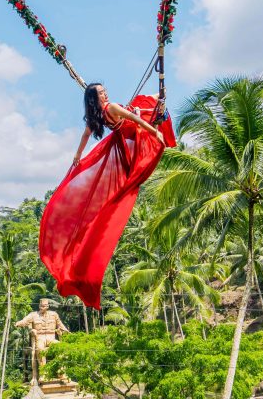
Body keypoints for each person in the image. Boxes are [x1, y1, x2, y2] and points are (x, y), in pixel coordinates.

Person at [40, 84, 176, 309]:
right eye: (101, 92)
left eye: (104, 91)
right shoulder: (111, 107)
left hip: (126, 141)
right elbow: (137, 120)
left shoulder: (97, 117)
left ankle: (159, 98)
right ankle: (160, 102)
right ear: (96, 98)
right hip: (138, 136)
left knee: (146, 100)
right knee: (148, 106)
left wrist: (77, 155)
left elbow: (85, 135)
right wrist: (154, 131)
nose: (106, 93)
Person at [15, 298, 69, 383]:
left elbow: (60, 325)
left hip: (51, 337)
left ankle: (61, 372)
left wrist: (66, 331)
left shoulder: (54, 315)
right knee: (40, 349)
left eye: (43, 306)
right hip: (39, 338)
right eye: (40, 306)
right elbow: (25, 321)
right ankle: (43, 373)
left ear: (47, 306)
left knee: (60, 347)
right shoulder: (33, 315)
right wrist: (18, 323)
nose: (41, 308)